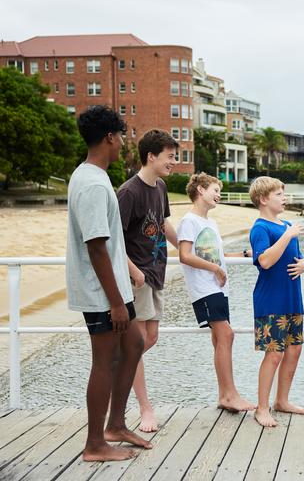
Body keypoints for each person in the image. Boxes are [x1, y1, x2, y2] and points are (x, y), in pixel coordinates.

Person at [67, 105, 151, 461]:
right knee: (103, 361)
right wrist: (116, 302)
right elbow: (96, 245)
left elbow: (108, 245)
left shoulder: (97, 177)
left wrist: (127, 275)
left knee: (134, 342)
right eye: (121, 137)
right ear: (109, 137)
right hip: (101, 292)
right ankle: (94, 444)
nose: (122, 145)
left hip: (112, 286)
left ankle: (115, 424)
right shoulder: (90, 183)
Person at [177, 172, 255, 412]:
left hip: (218, 288)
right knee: (227, 335)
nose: (219, 195)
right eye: (215, 190)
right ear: (200, 190)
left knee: (220, 338)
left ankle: (224, 395)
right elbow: (185, 255)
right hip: (204, 287)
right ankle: (230, 395)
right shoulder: (189, 221)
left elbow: (215, 255)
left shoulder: (211, 223)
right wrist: (215, 269)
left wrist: (242, 255)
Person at [117, 129, 178, 432]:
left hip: (156, 273)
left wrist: (187, 248)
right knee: (139, 340)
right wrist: (133, 270)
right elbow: (112, 239)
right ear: (151, 156)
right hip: (137, 277)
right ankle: (145, 408)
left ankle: (120, 364)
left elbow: (164, 223)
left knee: (150, 338)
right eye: (169, 156)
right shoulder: (129, 192)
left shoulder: (160, 187)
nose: (173, 162)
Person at [249, 176, 304, 427]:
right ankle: (261, 408)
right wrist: (287, 234)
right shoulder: (261, 228)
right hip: (270, 300)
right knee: (274, 354)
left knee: (294, 351)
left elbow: (298, 256)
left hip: (293, 299)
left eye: (284, 193)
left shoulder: (286, 224)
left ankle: (282, 400)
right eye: (278, 195)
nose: (284, 198)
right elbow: (264, 261)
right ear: (263, 199)